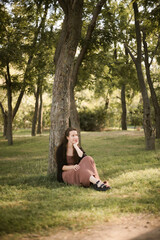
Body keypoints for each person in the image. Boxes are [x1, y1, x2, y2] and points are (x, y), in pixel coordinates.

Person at [56, 127, 111, 191]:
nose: (75, 137)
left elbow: (84, 158)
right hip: (67, 173)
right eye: (72, 135)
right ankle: (98, 182)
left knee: (89, 158)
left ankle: (96, 182)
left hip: (78, 170)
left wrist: (76, 146)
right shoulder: (61, 149)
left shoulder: (77, 148)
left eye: (76, 135)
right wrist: (73, 167)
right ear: (67, 137)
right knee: (81, 169)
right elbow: (61, 167)